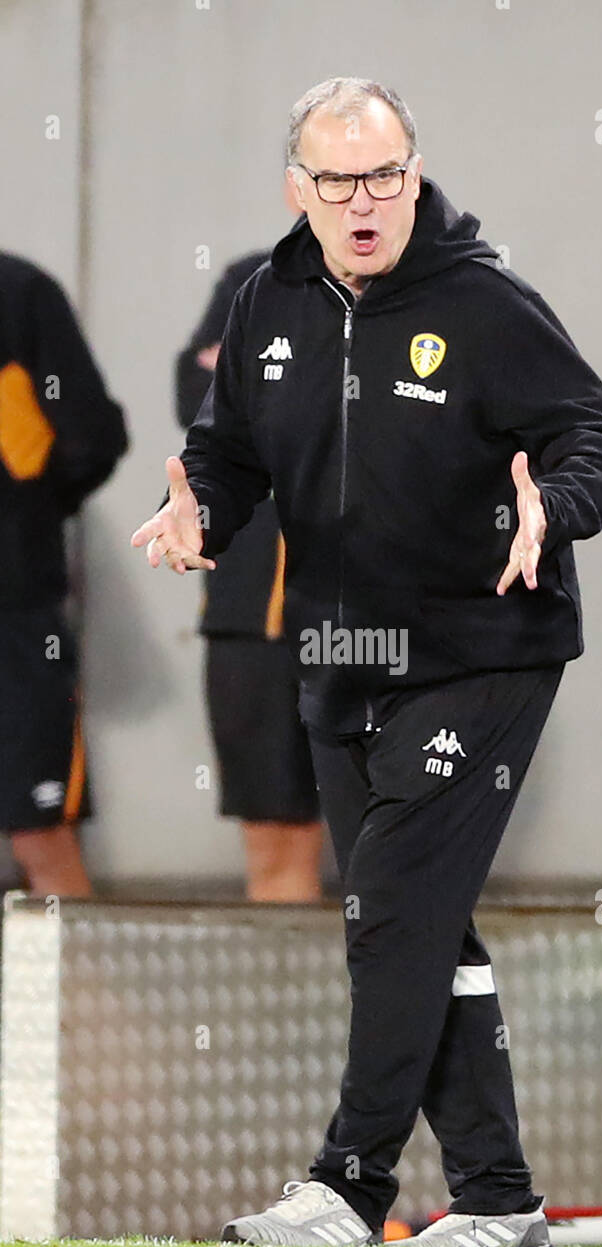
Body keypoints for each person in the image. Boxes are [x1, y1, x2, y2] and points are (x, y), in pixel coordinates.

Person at [131, 77, 602, 1247]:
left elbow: (599, 439)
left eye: (386, 175)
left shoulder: (486, 302)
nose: (365, 202)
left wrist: (551, 511)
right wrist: (202, 509)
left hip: (485, 646)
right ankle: (502, 1198)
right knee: (413, 918)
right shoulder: (269, 299)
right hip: (340, 658)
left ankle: (350, 1184)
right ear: (296, 189)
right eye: (339, 180)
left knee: (396, 912)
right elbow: (229, 453)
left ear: (414, 173)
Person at [175, 205, 323, 903]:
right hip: (253, 620)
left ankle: (386, 1014)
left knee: (388, 858)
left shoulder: (433, 292)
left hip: (385, 621)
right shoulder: (252, 281)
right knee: (274, 842)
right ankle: (299, 1010)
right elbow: (198, 394)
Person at [1, 252, 128, 897]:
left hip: (15, 616)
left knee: (40, 833)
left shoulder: (16, 294)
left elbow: (90, 436)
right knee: (40, 838)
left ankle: (73, 1001)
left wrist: (26, 504)